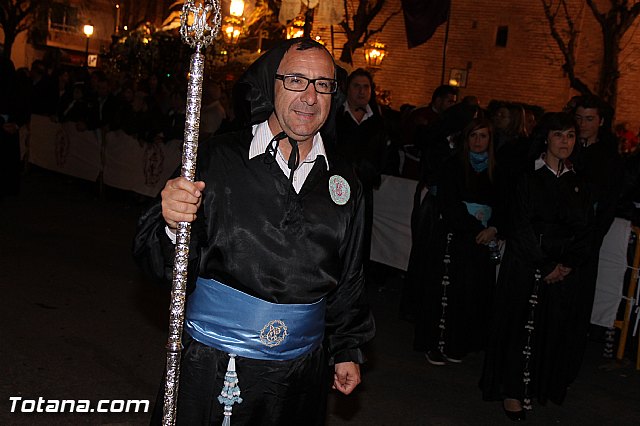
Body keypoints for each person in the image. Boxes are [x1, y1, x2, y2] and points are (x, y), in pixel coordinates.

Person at [133, 38, 375, 425]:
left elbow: (349, 278)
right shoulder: (215, 159)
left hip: (302, 374)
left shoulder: (346, 181)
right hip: (215, 367)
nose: (310, 97)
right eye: (296, 80)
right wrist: (169, 221)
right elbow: (159, 265)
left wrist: (346, 347)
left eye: (323, 84)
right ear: (270, 84)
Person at [480, 112, 593, 421]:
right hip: (527, 264)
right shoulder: (528, 177)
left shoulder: (578, 182)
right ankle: (512, 391)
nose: (565, 142)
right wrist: (544, 264)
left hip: (563, 268)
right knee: (519, 328)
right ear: (546, 138)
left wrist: (567, 263)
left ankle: (539, 386)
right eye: (559, 135)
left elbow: (586, 229)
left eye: (570, 136)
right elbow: (519, 224)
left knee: (551, 329)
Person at [413, 117, 499, 364]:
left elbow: (505, 203)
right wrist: (476, 228)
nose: (478, 141)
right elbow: (449, 203)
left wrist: (494, 228)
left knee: (469, 295)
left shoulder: (497, 170)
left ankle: (459, 343)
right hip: (455, 236)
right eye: (473, 136)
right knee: (446, 294)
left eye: (483, 136)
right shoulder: (452, 166)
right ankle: (436, 343)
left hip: (482, 241)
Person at [335, 68, 389, 283]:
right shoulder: (336, 118)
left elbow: (384, 158)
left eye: (366, 87)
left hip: (364, 189)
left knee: (361, 238)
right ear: (347, 88)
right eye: (356, 85)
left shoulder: (378, 121)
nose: (361, 91)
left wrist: (367, 171)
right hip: (336, 188)